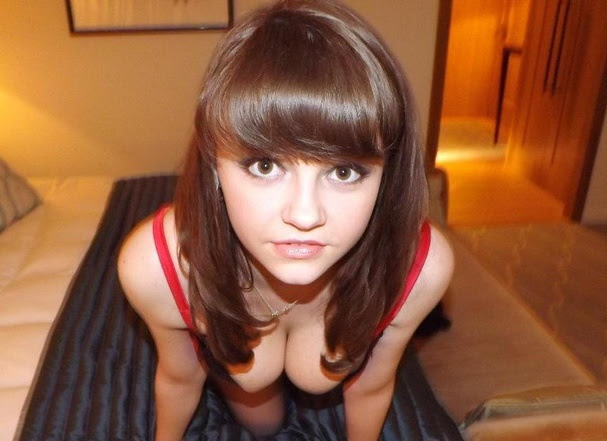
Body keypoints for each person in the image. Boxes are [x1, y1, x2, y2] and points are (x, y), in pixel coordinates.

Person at [118, 1, 454, 440]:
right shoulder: (155, 269)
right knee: (265, 424)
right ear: (214, 163)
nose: (305, 215)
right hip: (228, 351)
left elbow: (372, 386)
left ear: (386, 175)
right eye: (264, 166)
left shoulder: (421, 270)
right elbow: (179, 377)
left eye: (344, 171)